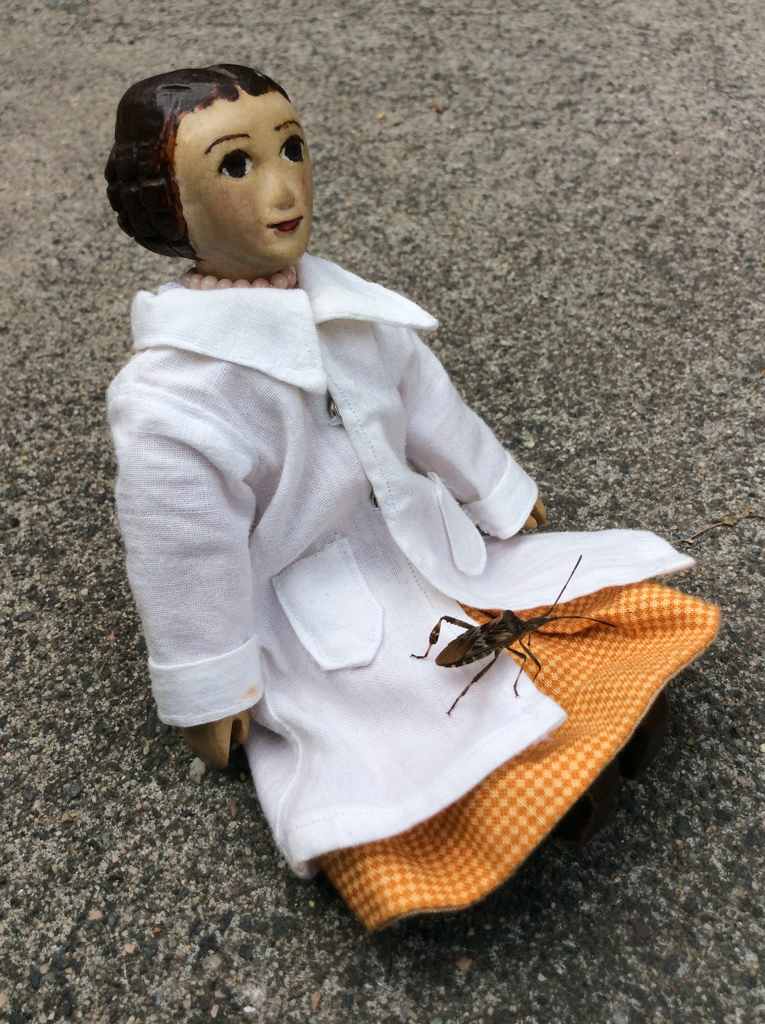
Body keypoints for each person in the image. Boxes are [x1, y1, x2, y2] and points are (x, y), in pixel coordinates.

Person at [105, 65, 719, 929]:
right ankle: (535, 807)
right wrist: (208, 684)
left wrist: (493, 487)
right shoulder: (173, 399)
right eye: (236, 166)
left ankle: (615, 730)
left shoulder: (347, 307)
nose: (283, 187)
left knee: (564, 617)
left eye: (292, 148)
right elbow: (181, 548)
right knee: (402, 730)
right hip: (308, 600)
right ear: (170, 208)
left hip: (419, 547)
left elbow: (427, 404)